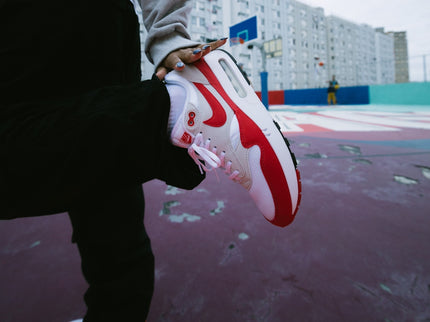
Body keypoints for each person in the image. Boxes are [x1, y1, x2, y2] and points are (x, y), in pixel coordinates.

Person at [0, 0, 300, 321]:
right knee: (109, 200)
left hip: (25, 21)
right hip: (105, 22)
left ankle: (172, 109)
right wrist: (168, 36)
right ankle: (174, 110)